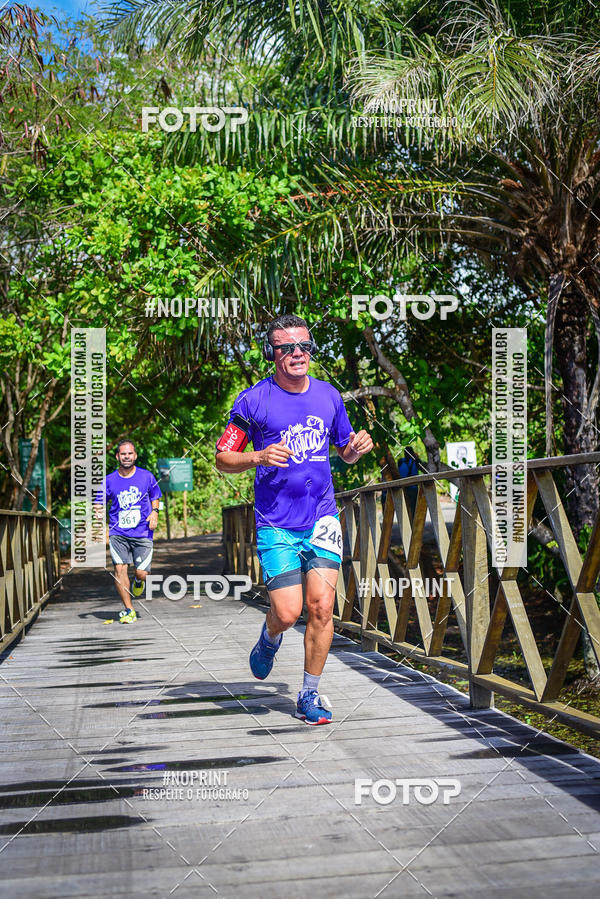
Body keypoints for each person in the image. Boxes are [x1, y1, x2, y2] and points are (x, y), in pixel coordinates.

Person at [215, 314, 373, 724]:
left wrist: (356, 448)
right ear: (273, 354)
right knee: (288, 613)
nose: (297, 354)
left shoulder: (328, 396)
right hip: (276, 522)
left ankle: (309, 694)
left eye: (303, 346)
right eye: (286, 348)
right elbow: (222, 458)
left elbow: (344, 450)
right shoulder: (253, 401)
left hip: (321, 517)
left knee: (321, 608)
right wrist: (257, 455)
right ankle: (270, 636)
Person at [97, 439, 162, 623]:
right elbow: (98, 501)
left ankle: (139, 581)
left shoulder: (146, 476)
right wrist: (98, 513)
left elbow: (155, 496)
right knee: (119, 569)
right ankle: (129, 609)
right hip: (118, 532)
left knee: (141, 573)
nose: (126, 457)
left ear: (135, 456)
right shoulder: (109, 480)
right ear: (117, 456)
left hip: (143, 531)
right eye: (123, 454)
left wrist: (155, 512)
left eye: (130, 453)